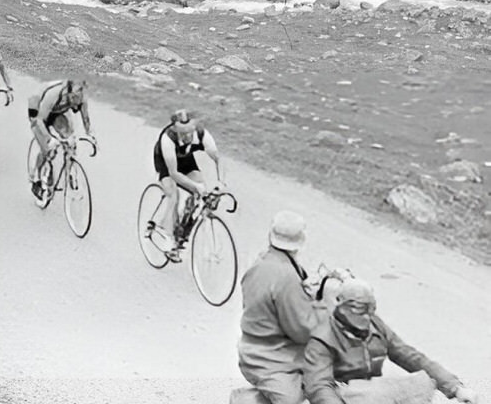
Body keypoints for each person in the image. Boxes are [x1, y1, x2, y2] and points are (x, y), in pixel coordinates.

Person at [303, 279, 480, 404]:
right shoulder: (322, 337)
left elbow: (410, 356)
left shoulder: (376, 325)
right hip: (342, 394)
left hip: (371, 391)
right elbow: (319, 387)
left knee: (421, 382)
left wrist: (455, 387)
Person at [237, 211, 329, 404]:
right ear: (301, 240)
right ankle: (246, 400)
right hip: (271, 357)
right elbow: (301, 331)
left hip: (254, 346)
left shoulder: (262, 262)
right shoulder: (286, 278)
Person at [152, 109, 223, 260]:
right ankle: (168, 235)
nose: (187, 136)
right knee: (173, 195)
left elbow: (217, 159)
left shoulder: (202, 134)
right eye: (182, 133)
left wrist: (221, 183)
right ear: (174, 129)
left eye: (190, 132)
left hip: (186, 160)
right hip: (167, 163)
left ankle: (182, 230)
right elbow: (174, 173)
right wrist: (194, 186)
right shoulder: (167, 139)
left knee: (200, 193)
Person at [26, 79, 94, 205]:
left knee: (69, 137)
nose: (76, 101)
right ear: (68, 92)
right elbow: (39, 120)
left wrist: (90, 135)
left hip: (57, 112)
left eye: (79, 98)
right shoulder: (54, 94)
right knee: (47, 148)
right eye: (74, 97)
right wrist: (49, 138)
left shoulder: (81, 97)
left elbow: (86, 118)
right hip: (38, 110)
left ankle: (70, 171)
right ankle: (37, 177)